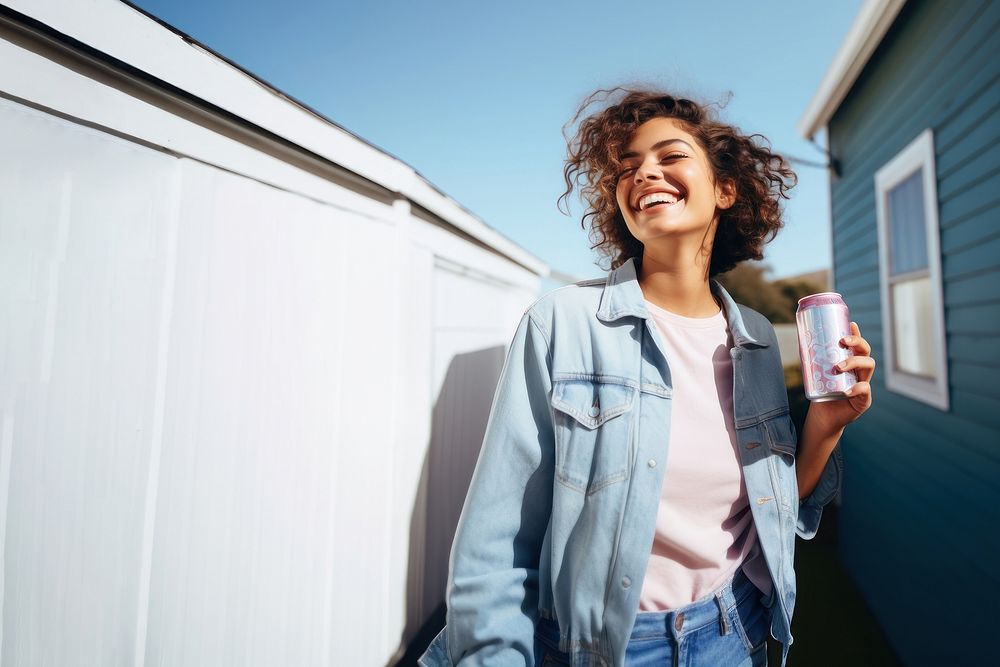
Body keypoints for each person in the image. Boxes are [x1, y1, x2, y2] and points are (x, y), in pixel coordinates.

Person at [418, 88, 875, 667]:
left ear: (726, 189)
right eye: (627, 168)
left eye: (669, 156)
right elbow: (497, 545)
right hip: (602, 650)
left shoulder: (756, 338)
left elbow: (774, 503)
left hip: (738, 633)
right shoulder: (561, 322)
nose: (644, 174)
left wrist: (827, 423)